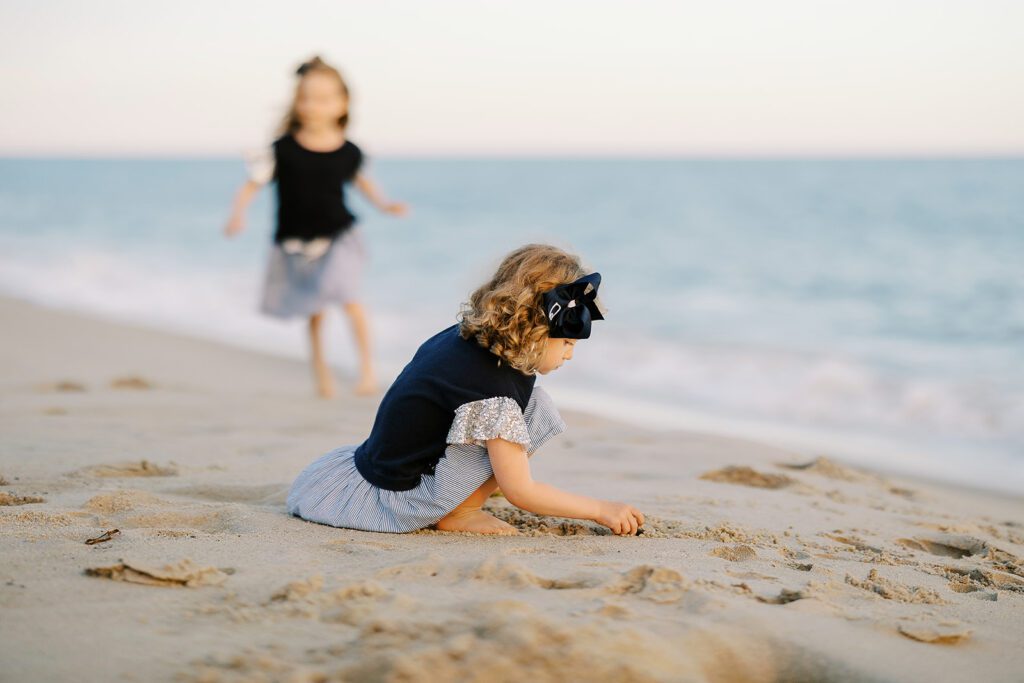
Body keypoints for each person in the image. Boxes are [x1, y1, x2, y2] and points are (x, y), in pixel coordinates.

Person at [286, 244, 646, 536]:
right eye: (567, 342)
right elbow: (522, 494)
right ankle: (461, 511)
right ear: (534, 330)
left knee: (533, 405)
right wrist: (601, 509)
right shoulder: (494, 392)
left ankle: (462, 502)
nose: (571, 353)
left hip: (376, 465)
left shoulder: (467, 338)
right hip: (397, 496)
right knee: (532, 412)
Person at [224, 55, 407, 397]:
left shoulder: (349, 151)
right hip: (298, 242)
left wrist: (384, 204)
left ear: (342, 104)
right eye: (305, 97)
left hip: (341, 236)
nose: (311, 105)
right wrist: (238, 214)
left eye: (322, 99)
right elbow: (251, 184)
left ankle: (367, 371)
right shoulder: (282, 149)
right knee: (316, 310)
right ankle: (321, 371)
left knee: (350, 297)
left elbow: (361, 182)